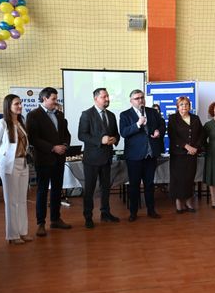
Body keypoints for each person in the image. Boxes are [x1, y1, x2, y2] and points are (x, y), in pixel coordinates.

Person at [26, 87, 71, 236]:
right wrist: (52, 148)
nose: (56, 102)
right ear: (44, 99)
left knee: (57, 190)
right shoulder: (33, 115)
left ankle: (55, 219)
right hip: (44, 159)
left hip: (59, 159)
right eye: (53, 99)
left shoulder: (59, 114)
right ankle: (41, 223)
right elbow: (33, 138)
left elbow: (66, 134)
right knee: (42, 191)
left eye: (56, 99)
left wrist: (64, 145)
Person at [0, 95, 32, 245]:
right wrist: (1, 162)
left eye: (20, 103)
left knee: (22, 200)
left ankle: (23, 231)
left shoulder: (21, 122)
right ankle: (13, 235)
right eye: (16, 104)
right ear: (8, 106)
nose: (20, 106)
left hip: (23, 163)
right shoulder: (0, 124)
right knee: (11, 201)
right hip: (9, 165)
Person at [119, 89, 165, 222]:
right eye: (137, 98)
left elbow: (162, 125)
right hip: (134, 156)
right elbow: (124, 132)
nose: (140, 100)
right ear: (131, 101)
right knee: (134, 185)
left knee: (149, 184)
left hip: (150, 155)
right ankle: (133, 212)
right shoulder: (125, 115)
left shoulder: (152, 112)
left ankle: (151, 210)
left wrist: (158, 131)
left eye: (142, 97)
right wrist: (138, 124)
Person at [78, 88, 120, 228]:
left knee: (106, 188)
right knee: (90, 189)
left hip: (107, 158)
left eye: (107, 96)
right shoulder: (87, 114)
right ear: (96, 98)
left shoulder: (111, 115)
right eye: (104, 97)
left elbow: (116, 134)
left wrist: (115, 139)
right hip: (91, 159)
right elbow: (82, 135)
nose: (107, 99)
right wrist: (100, 140)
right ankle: (88, 217)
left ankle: (105, 213)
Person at [167, 96, 203, 213]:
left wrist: (196, 148)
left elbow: (201, 135)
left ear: (189, 106)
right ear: (177, 107)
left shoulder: (195, 118)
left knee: (189, 178)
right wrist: (186, 146)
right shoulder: (173, 118)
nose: (184, 106)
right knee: (178, 179)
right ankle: (178, 202)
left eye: (186, 104)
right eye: (181, 104)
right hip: (178, 154)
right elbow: (173, 136)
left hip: (192, 154)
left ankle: (188, 202)